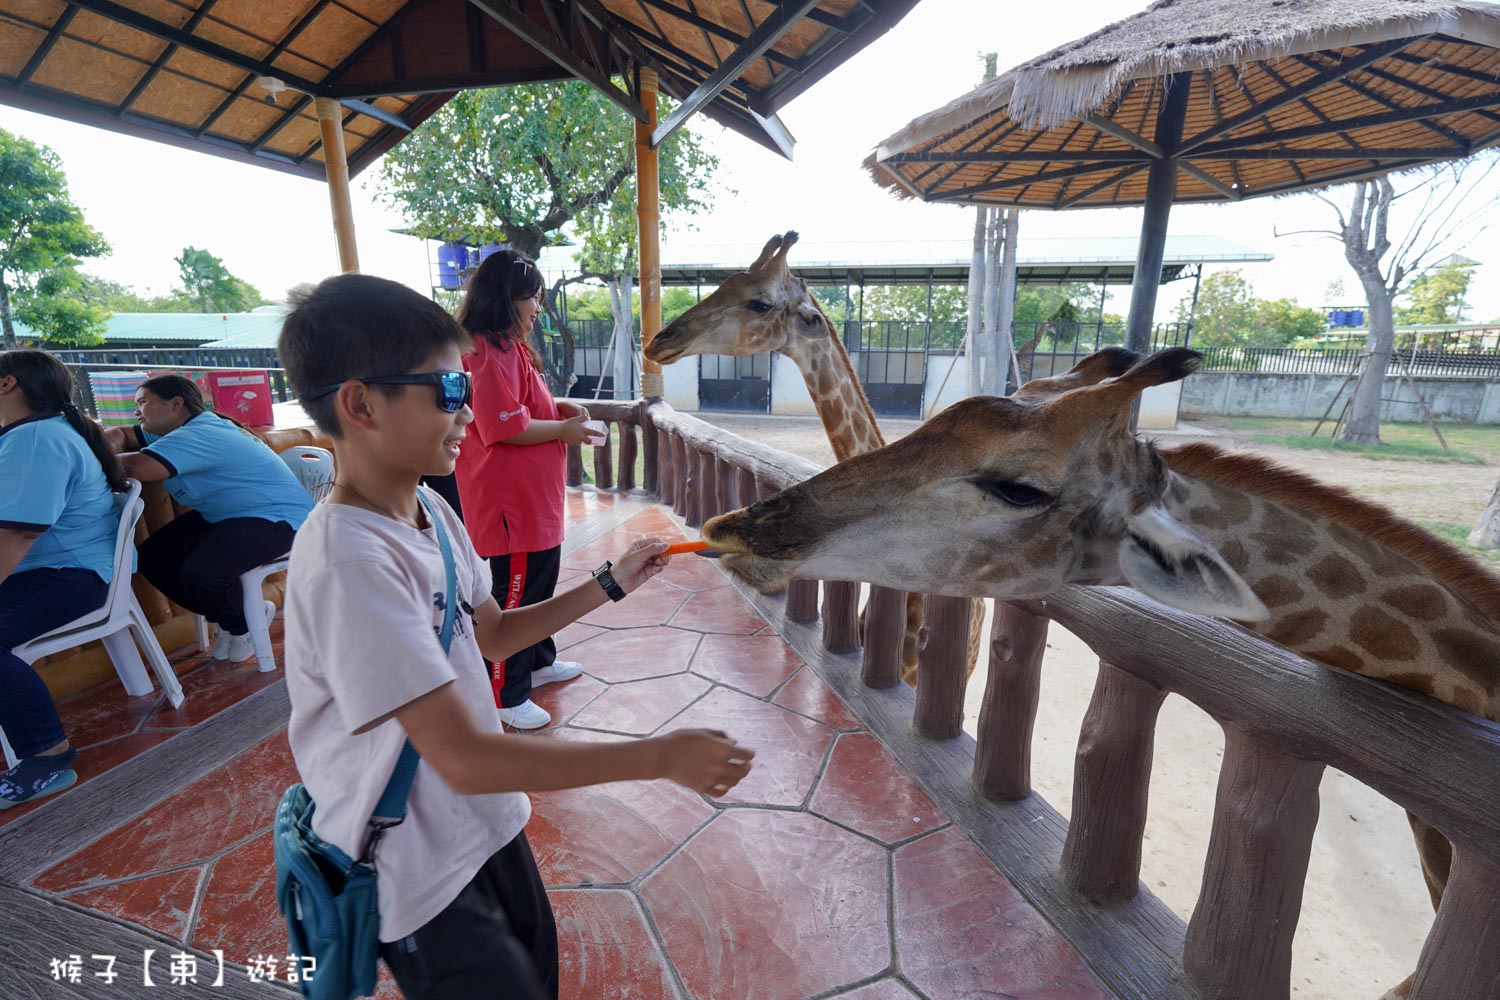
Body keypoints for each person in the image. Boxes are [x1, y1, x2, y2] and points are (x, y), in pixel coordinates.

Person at [277, 273, 752, 999]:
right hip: (415, 864)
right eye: (448, 391)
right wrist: (658, 757)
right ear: (360, 402)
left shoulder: (430, 514)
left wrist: (614, 581)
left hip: (485, 825)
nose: (468, 408)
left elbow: (493, 638)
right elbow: (464, 758)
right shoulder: (348, 561)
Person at [453, 250, 601, 730]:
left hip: (534, 500)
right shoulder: (482, 350)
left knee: (540, 585)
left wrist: (557, 407)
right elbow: (504, 426)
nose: (538, 305)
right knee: (512, 598)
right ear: (505, 299)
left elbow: (523, 405)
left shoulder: (510, 347)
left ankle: (537, 662)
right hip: (508, 506)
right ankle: (504, 694)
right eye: (532, 296)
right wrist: (563, 432)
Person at [108, 375, 314, 663]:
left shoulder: (201, 433)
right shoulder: (180, 429)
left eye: (143, 402)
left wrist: (88, 457)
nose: (136, 410)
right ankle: (234, 617)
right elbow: (124, 433)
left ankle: (240, 624)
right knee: (156, 558)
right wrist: (110, 439)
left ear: (176, 404)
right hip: (232, 515)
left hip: (277, 518)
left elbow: (140, 466)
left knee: (203, 574)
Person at [0, 350, 127, 808]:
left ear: (7, 384)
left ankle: (46, 755)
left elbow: (14, 533)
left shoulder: (37, 440)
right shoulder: (35, 433)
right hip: (58, 569)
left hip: (73, 575)